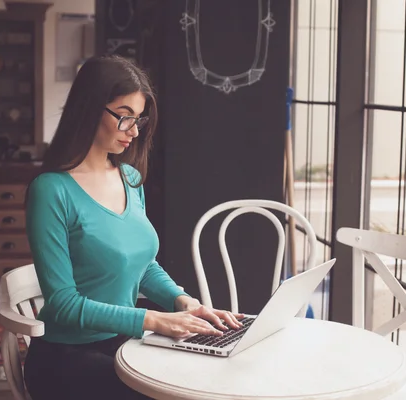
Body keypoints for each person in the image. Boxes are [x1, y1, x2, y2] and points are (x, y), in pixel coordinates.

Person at [23, 55, 244, 400]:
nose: (134, 131)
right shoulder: (51, 190)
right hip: (66, 360)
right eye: (124, 116)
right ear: (89, 108)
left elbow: (141, 266)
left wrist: (181, 301)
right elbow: (63, 304)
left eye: (138, 119)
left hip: (125, 345)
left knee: (213, 376)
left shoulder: (130, 178)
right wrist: (154, 321)